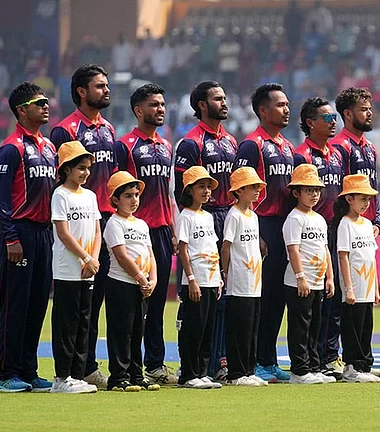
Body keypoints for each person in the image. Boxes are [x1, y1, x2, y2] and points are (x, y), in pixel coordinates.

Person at [50, 64, 118, 387]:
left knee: (93, 301)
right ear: (81, 91)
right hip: (75, 221)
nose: (106, 90)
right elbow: (57, 180)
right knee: (72, 305)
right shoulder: (65, 130)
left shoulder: (108, 130)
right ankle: (69, 371)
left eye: (107, 85)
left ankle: (86, 366)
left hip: (102, 220)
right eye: (100, 86)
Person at [0, 82, 56, 392]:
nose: (46, 106)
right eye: (39, 102)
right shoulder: (11, 148)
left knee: (37, 302)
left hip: (44, 234)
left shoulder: (48, 148)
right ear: (21, 110)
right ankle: (6, 373)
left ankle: (29, 370)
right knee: (15, 303)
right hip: (21, 233)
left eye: (46, 102)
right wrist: (10, 238)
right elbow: (1, 199)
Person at [114, 83, 178, 385]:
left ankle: (154, 364)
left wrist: (175, 230)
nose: (161, 109)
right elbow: (116, 189)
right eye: (154, 105)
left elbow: (170, 192)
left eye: (163, 104)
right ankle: (126, 368)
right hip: (136, 233)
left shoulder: (166, 145)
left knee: (156, 302)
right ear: (139, 110)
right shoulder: (125, 145)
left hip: (163, 232)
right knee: (132, 304)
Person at [174, 81, 238, 381]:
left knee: (224, 295)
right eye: (218, 98)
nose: (224, 103)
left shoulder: (231, 142)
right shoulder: (191, 143)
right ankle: (191, 367)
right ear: (202, 105)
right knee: (195, 298)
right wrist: (196, 220)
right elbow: (181, 190)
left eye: (224, 98)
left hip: (228, 218)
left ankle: (219, 363)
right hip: (203, 219)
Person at [236, 83, 294, 383]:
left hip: (285, 227)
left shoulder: (286, 146)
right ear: (262, 110)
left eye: (287, 104)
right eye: (280, 105)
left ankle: (269, 359)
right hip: (262, 226)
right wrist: (254, 230)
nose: (287, 109)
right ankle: (255, 360)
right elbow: (240, 190)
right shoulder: (252, 145)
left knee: (277, 297)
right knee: (260, 296)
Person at [294, 97, 345, 377]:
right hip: (310, 233)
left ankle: (329, 357)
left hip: (335, 231)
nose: (333, 121)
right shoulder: (302, 155)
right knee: (310, 303)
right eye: (327, 118)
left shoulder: (336, 154)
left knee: (332, 297)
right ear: (311, 123)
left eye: (334, 117)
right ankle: (309, 360)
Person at [49, 141, 100, 394]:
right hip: (68, 269)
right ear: (66, 169)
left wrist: (94, 259)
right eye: (80, 168)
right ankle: (62, 377)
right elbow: (64, 233)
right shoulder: (60, 194)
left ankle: (78, 375)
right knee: (66, 323)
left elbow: (97, 230)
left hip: (88, 269)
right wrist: (85, 258)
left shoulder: (90, 196)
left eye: (88, 168)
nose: (85, 173)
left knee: (83, 322)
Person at [103, 171, 161, 391]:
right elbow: (121, 255)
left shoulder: (142, 225)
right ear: (116, 200)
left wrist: (152, 280)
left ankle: (137, 375)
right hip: (121, 283)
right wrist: (139, 277)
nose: (134, 200)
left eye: (136, 195)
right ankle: (119, 377)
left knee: (138, 330)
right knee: (121, 330)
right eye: (128, 195)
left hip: (142, 286)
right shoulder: (114, 224)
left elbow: (150, 255)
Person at [282, 164, 335, 385]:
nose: (314, 195)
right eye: (308, 190)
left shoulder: (320, 219)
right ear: (296, 193)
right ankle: (300, 370)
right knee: (300, 326)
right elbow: (293, 249)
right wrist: (300, 277)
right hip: (299, 282)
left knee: (315, 325)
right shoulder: (294, 218)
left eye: (317, 190)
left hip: (317, 281)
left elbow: (325, 249)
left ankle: (314, 366)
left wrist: (330, 277)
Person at [175, 166, 224, 389]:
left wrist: (220, 278)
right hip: (195, 281)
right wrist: (191, 278)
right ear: (189, 190)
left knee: (207, 329)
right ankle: (188, 374)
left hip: (212, 280)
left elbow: (213, 246)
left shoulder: (207, 216)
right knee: (193, 329)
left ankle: (203, 372)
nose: (206, 191)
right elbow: (183, 250)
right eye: (200, 187)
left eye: (208, 187)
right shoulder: (185, 216)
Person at [221, 167, 269, 387]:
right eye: (252, 187)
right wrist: (227, 272)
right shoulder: (234, 215)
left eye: (258, 186)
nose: (258, 190)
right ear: (239, 191)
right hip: (238, 281)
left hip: (254, 281)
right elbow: (226, 246)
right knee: (239, 327)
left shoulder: (253, 216)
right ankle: (236, 373)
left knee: (252, 327)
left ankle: (249, 370)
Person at [333, 174, 380, 383]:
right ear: (349, 199)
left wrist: (377, 289)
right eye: (362, 198)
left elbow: (371, 256)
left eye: (368, 199)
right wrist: (349, 287)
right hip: (354, 285)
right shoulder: (345, 224)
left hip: (368, 286)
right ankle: (352, 365)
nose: (366, 203)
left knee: (366, 325)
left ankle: (364, 364)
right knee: (352, 325)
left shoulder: (367, 224)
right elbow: (343, 256)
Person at [332, 87, 380, 235]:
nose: (370, 113)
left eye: (370, 109)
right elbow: (337, 192)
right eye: (363, 109)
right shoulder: (338, 146)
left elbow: (373, 187)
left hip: (368, 226)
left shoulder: (370, 147)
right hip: (348, 227)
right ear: (347, 114)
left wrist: (377, 222)